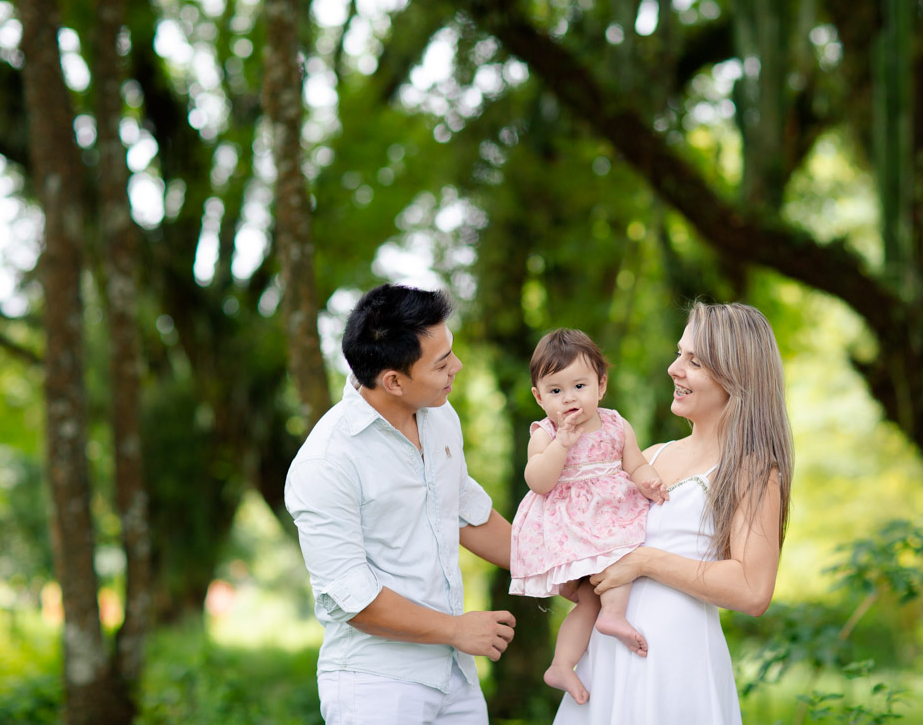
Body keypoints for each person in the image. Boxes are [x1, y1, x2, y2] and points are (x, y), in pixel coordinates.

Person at [285, 283, 516, 725]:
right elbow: (353, 599)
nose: (457, 367)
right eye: (442, 363)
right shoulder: (326, 462)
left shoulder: (440, 415)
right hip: (376, 687)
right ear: (393, 380)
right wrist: (456, 629)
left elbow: (466, 513)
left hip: (455, 676)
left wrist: (562, 571)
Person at [554, 301, 794, 725]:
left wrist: (644, 561)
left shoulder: (752, 469)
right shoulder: (648, 459)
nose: (674, 369)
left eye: (694, 362)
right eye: (679, 353)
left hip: (677, 664)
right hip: (608, 658)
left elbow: (753, 590)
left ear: (736, 376)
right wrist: (578, 569)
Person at [508, 329, 669, 706]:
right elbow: (538, 481)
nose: (569, 398)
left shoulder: (616, 425)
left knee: (590, 598)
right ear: (539, 397)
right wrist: (561, 444)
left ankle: (566, 660)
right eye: (556, 390)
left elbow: (635, 464)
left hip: (610, 516)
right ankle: (592, 635)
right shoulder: (545, 433)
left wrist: (648, 481)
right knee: (612, 565)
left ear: (601, 385)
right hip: (573, 527)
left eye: (579, 386)